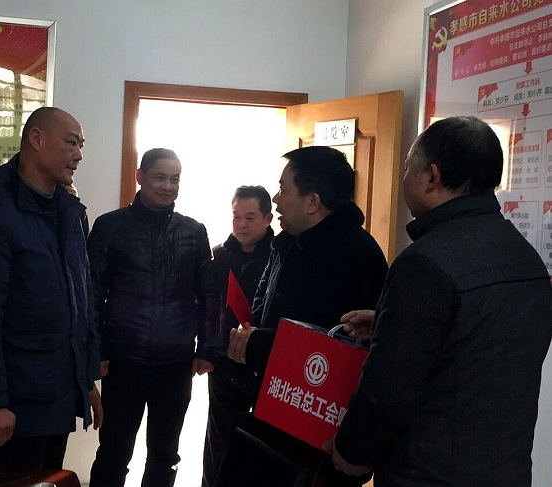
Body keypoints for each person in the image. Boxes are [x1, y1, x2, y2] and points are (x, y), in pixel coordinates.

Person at [327, 116, 552, 486]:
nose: (404, 177)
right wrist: (389, 322)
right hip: (506, 470)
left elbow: (388, 391)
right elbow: (482, 348)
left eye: (407, 168)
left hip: (428, 473)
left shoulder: (425, 263)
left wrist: (351, 451)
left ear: (431, 177)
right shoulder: (526, 257)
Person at [0, 106, 102, 469]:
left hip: (59, 395)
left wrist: (85, 380)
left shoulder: (69, 211)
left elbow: (81, 300)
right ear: (36, 139)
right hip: (13, 405)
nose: (78, 155)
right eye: (71, 143)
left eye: (81, 145)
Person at [226, 145, 388, 486]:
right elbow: (265, 301)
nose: (276, 199)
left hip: (322, 437)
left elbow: (340, 347)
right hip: (276, 407)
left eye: (283, 189)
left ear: (312, 202)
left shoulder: (359, 256)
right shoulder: (287, 242)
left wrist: (258, 344)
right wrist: (251, 336)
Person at [87, 147, 219, 487]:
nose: (168, 186)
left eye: (175, 179)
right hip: (124, 359)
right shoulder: (110, 227)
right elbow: (92, 293)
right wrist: (98, 349)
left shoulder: (194, 231)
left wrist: (207, 348)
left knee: (165, 455)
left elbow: (208, 294)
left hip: (176, 363)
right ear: (140, 176)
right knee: (114, 452)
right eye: (160, 177)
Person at [201, 185, 274, 487]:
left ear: (268, 218)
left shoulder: (280, 256)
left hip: (265, 365)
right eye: (236, 217)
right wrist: (206, 351)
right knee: (218, 443)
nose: (241, 224)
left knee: (262, 446)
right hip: (224, 363)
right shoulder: (219, 255)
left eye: (250, 217)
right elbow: (206, 305)